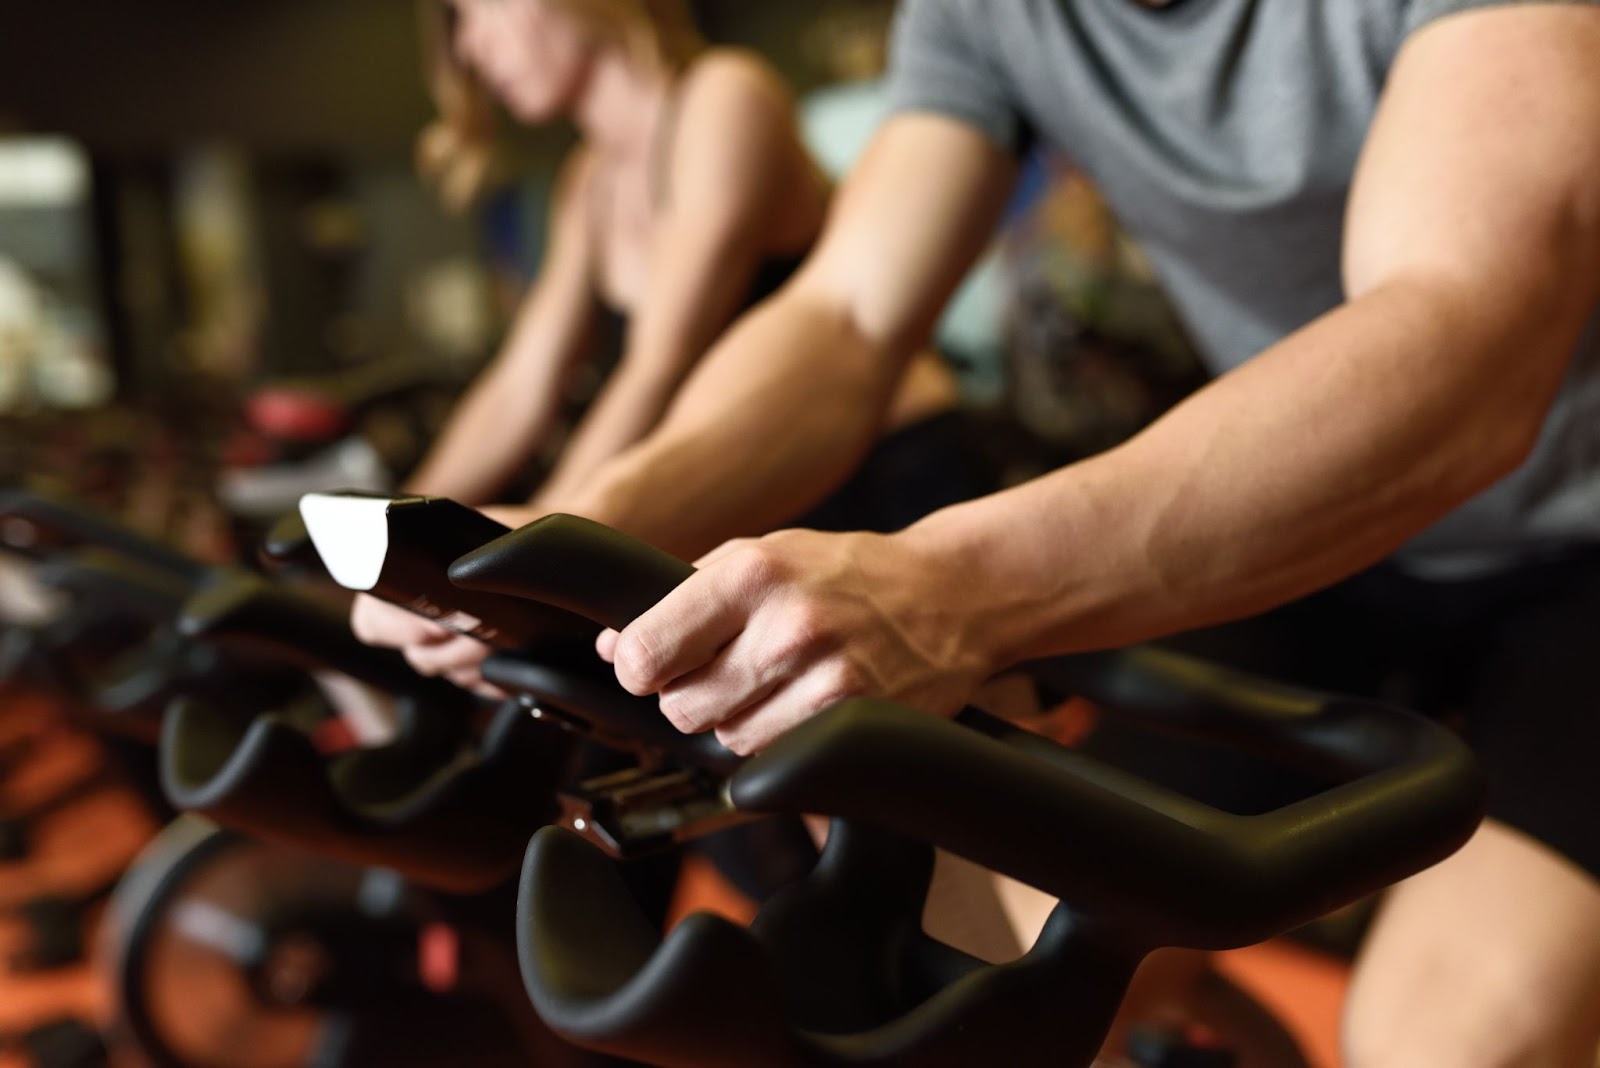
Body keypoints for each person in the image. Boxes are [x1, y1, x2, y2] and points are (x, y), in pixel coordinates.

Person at [367, 2, 1600, 1064]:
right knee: (976, 981)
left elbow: (1468, 332)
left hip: (1575, 549)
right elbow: (847, 317)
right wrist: (580, 532)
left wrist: (953, 583)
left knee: (1439, 1040)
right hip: (1314, 538)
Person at [353, 0, 968, 688]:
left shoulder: (722, 96)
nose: (469, 47)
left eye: (478, 9)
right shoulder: (588, 181)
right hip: (748, 487)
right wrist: (380, 537)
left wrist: (524, 555)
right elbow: (518, 387)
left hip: (888, 478)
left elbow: (657, 366)